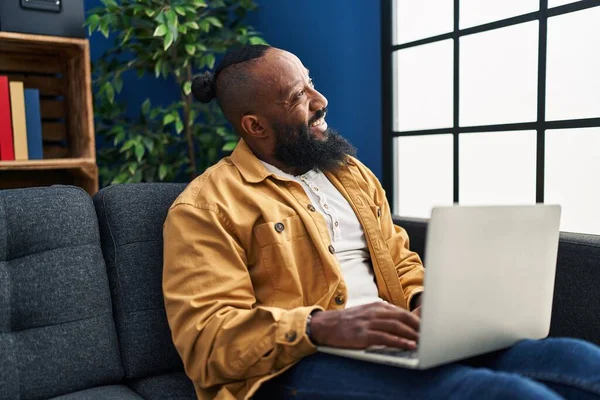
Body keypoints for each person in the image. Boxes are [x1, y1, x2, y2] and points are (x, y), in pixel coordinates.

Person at [162, 45, 600, 400]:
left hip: (394, 345)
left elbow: (401, 261)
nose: (320, 100)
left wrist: (427, 303)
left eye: (311, 83)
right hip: (290, 370)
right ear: (255, 126)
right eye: (297, 96)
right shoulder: (205, 208)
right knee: (505, 395)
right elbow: (207, 342)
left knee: (582, 363)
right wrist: (319, 325)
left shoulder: (350, 173)